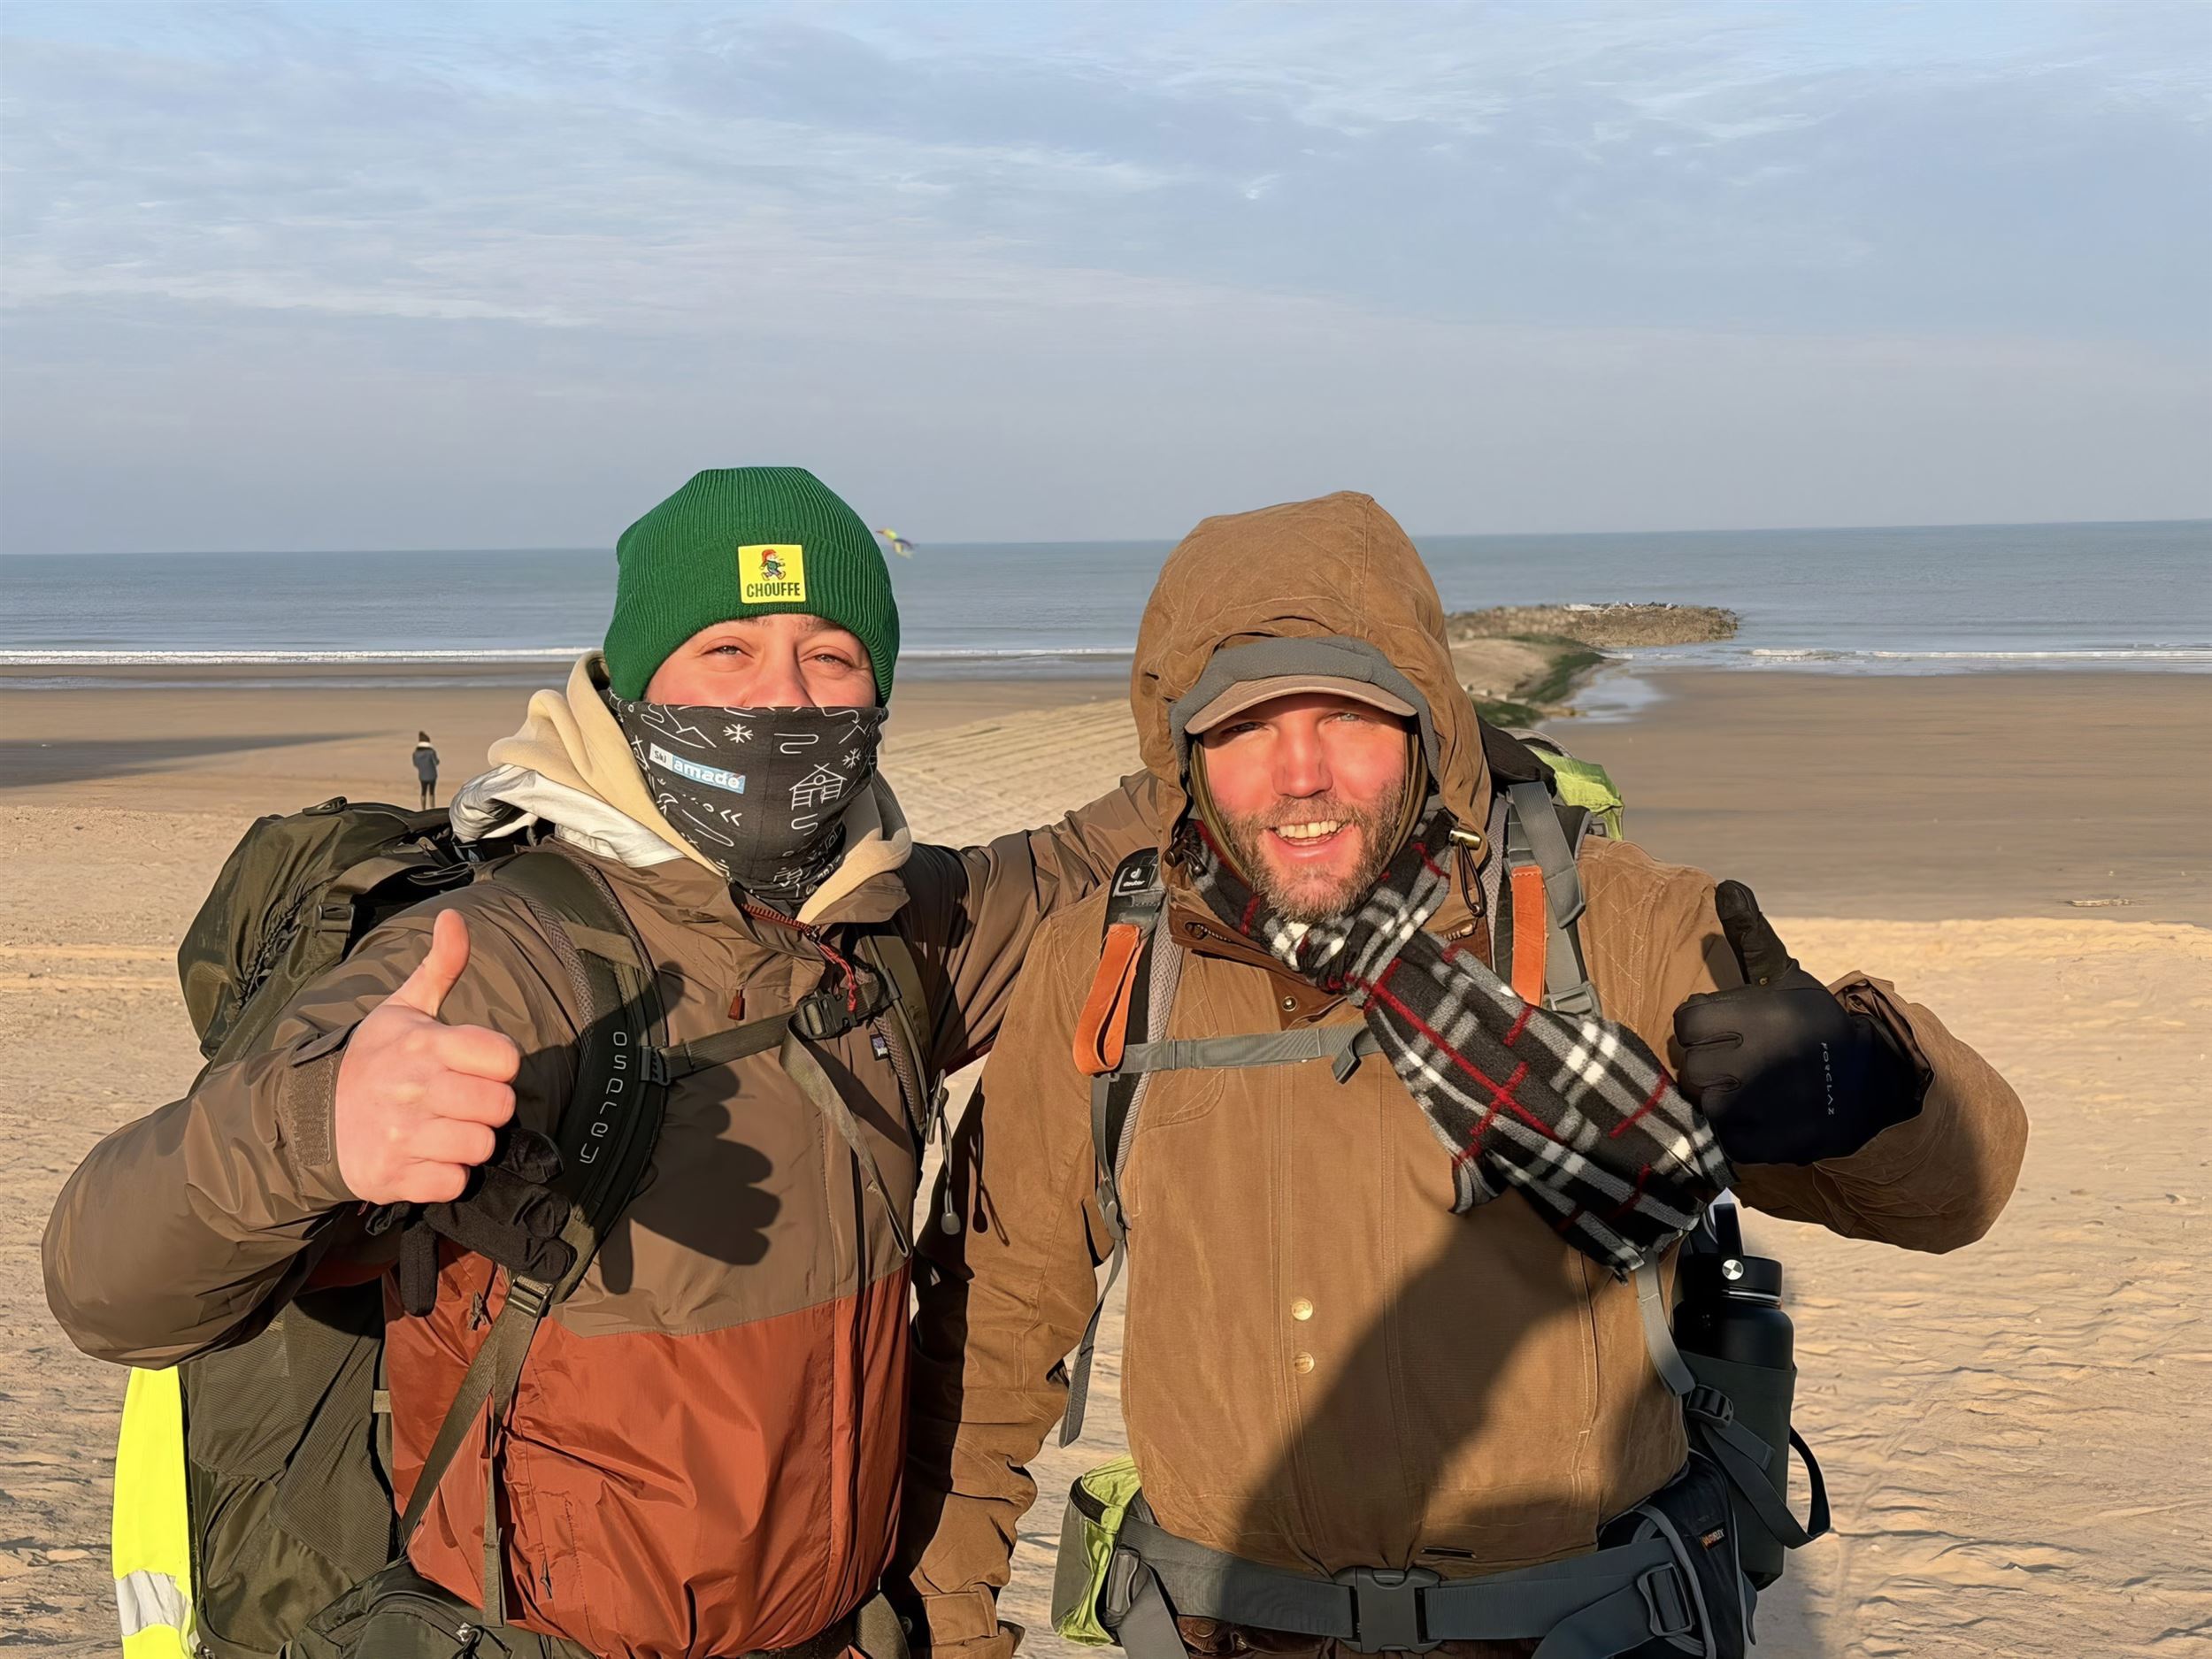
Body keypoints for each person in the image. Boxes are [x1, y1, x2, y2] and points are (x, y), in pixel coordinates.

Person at [45, 467, 1164, 1659]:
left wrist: (1255, 697)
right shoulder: (505, 953)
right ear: (634, 684)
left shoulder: (890, 933)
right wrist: (315, 1127)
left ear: (877, 691)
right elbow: (107, 1284)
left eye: (830, 657)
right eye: (726, 650)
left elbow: (1073, 866)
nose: (782, 700)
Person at [894, 493, 2028, 1659]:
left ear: (1425, 722)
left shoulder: (1612, 924)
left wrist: (1866, 1084)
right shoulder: (1109, 965)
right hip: (1222, 1629)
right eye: (1245, 727)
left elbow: (1960, 1193)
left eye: (1345, 714)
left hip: (1575, 1630)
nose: (1300, 774)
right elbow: (992, 1334)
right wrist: (953, 1625)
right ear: (1184, 752)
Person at [413, 730, 440, 809]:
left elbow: (415, 764)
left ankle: (423, 808)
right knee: (432, 792)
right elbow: (436, 762)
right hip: (432, 775)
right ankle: (432, 808)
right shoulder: (431, 752)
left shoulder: (416, 753)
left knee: (423, 791)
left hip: (422, 775)